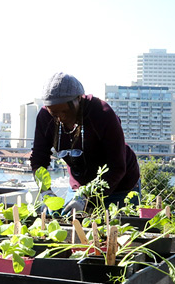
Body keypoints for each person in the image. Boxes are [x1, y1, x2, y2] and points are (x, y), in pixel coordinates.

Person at [30, 72, 140, 212]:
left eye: (65, 111)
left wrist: (85, 198)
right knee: (73, 225)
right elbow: (38, 159)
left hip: (120, 187)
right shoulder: (45, 117)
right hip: (79, 187)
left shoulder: (102, 113)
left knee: (116, 229)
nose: (61, 117)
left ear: (79, 100)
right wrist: (46, 193)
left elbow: (117, 166)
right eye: (55, 114)